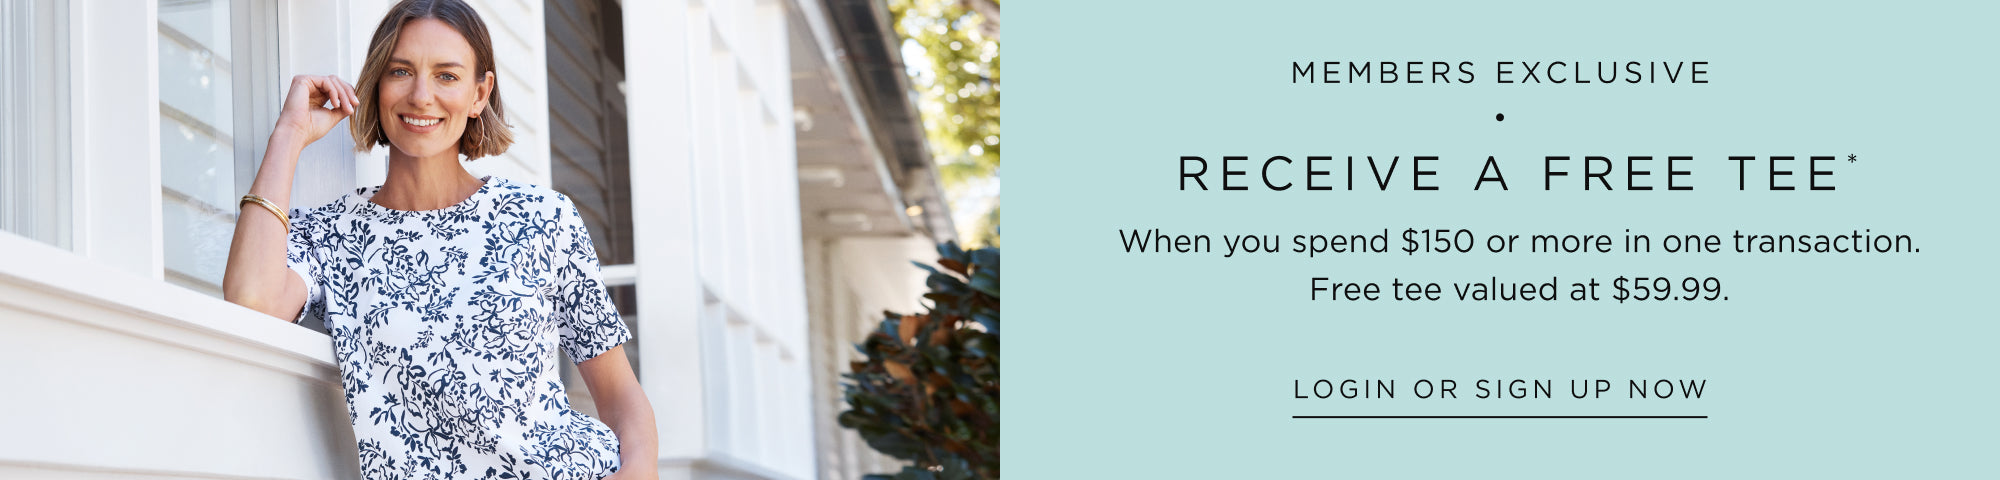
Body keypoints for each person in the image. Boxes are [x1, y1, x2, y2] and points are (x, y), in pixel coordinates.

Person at [219, 1, 656, 478]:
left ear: (479, 94)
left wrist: (639, 472)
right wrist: (288, 135)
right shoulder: (333, 235)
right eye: (400, 71)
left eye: (446, 76)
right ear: (377, 85)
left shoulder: (543, 218)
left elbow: (621, 397)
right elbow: (252, 298)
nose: (421, 96)